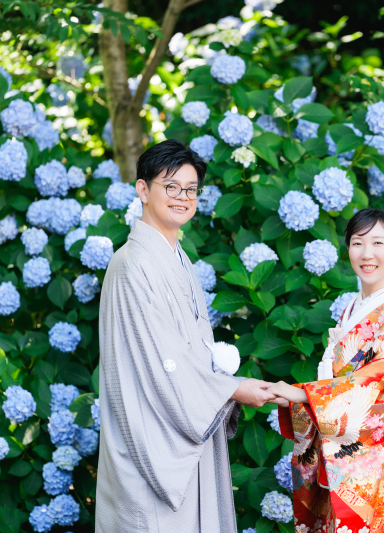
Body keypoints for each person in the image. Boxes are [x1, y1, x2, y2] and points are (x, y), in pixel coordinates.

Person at [95, 139, 275, 532]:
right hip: (153, 437)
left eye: (190, 190)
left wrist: (225, 386)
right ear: (143, 190)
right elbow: (162, 362)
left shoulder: (178, 257)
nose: (182, 197)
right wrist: (231, 389)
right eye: (170, 186)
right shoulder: (131, 264)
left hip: (184, 424)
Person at [267, 208, 384, 533]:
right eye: (357, 243)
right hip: (349, 459)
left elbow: (376, 388)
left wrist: (301, 395)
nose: (366, 254)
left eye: (378, 243)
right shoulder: (355, 309)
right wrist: (307, 400)